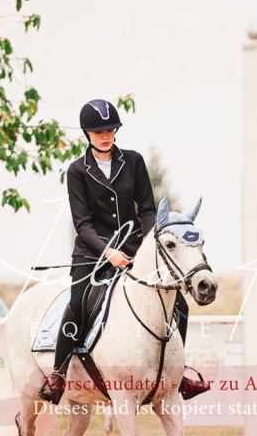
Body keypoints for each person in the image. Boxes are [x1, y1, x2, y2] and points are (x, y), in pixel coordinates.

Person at [38, 98, 210, 404]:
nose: (106, 135)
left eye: (110, 129)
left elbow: (147, 210)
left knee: (179, 303)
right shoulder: (77, 171)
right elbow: (83, 224)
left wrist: (147, 245)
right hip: (92, 254)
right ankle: (58, 374)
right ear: (87, 133)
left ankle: (180, 372)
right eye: (98, 131)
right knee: (77, 304)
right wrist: (109, 253)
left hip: (134, 249)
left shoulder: (133, 161)